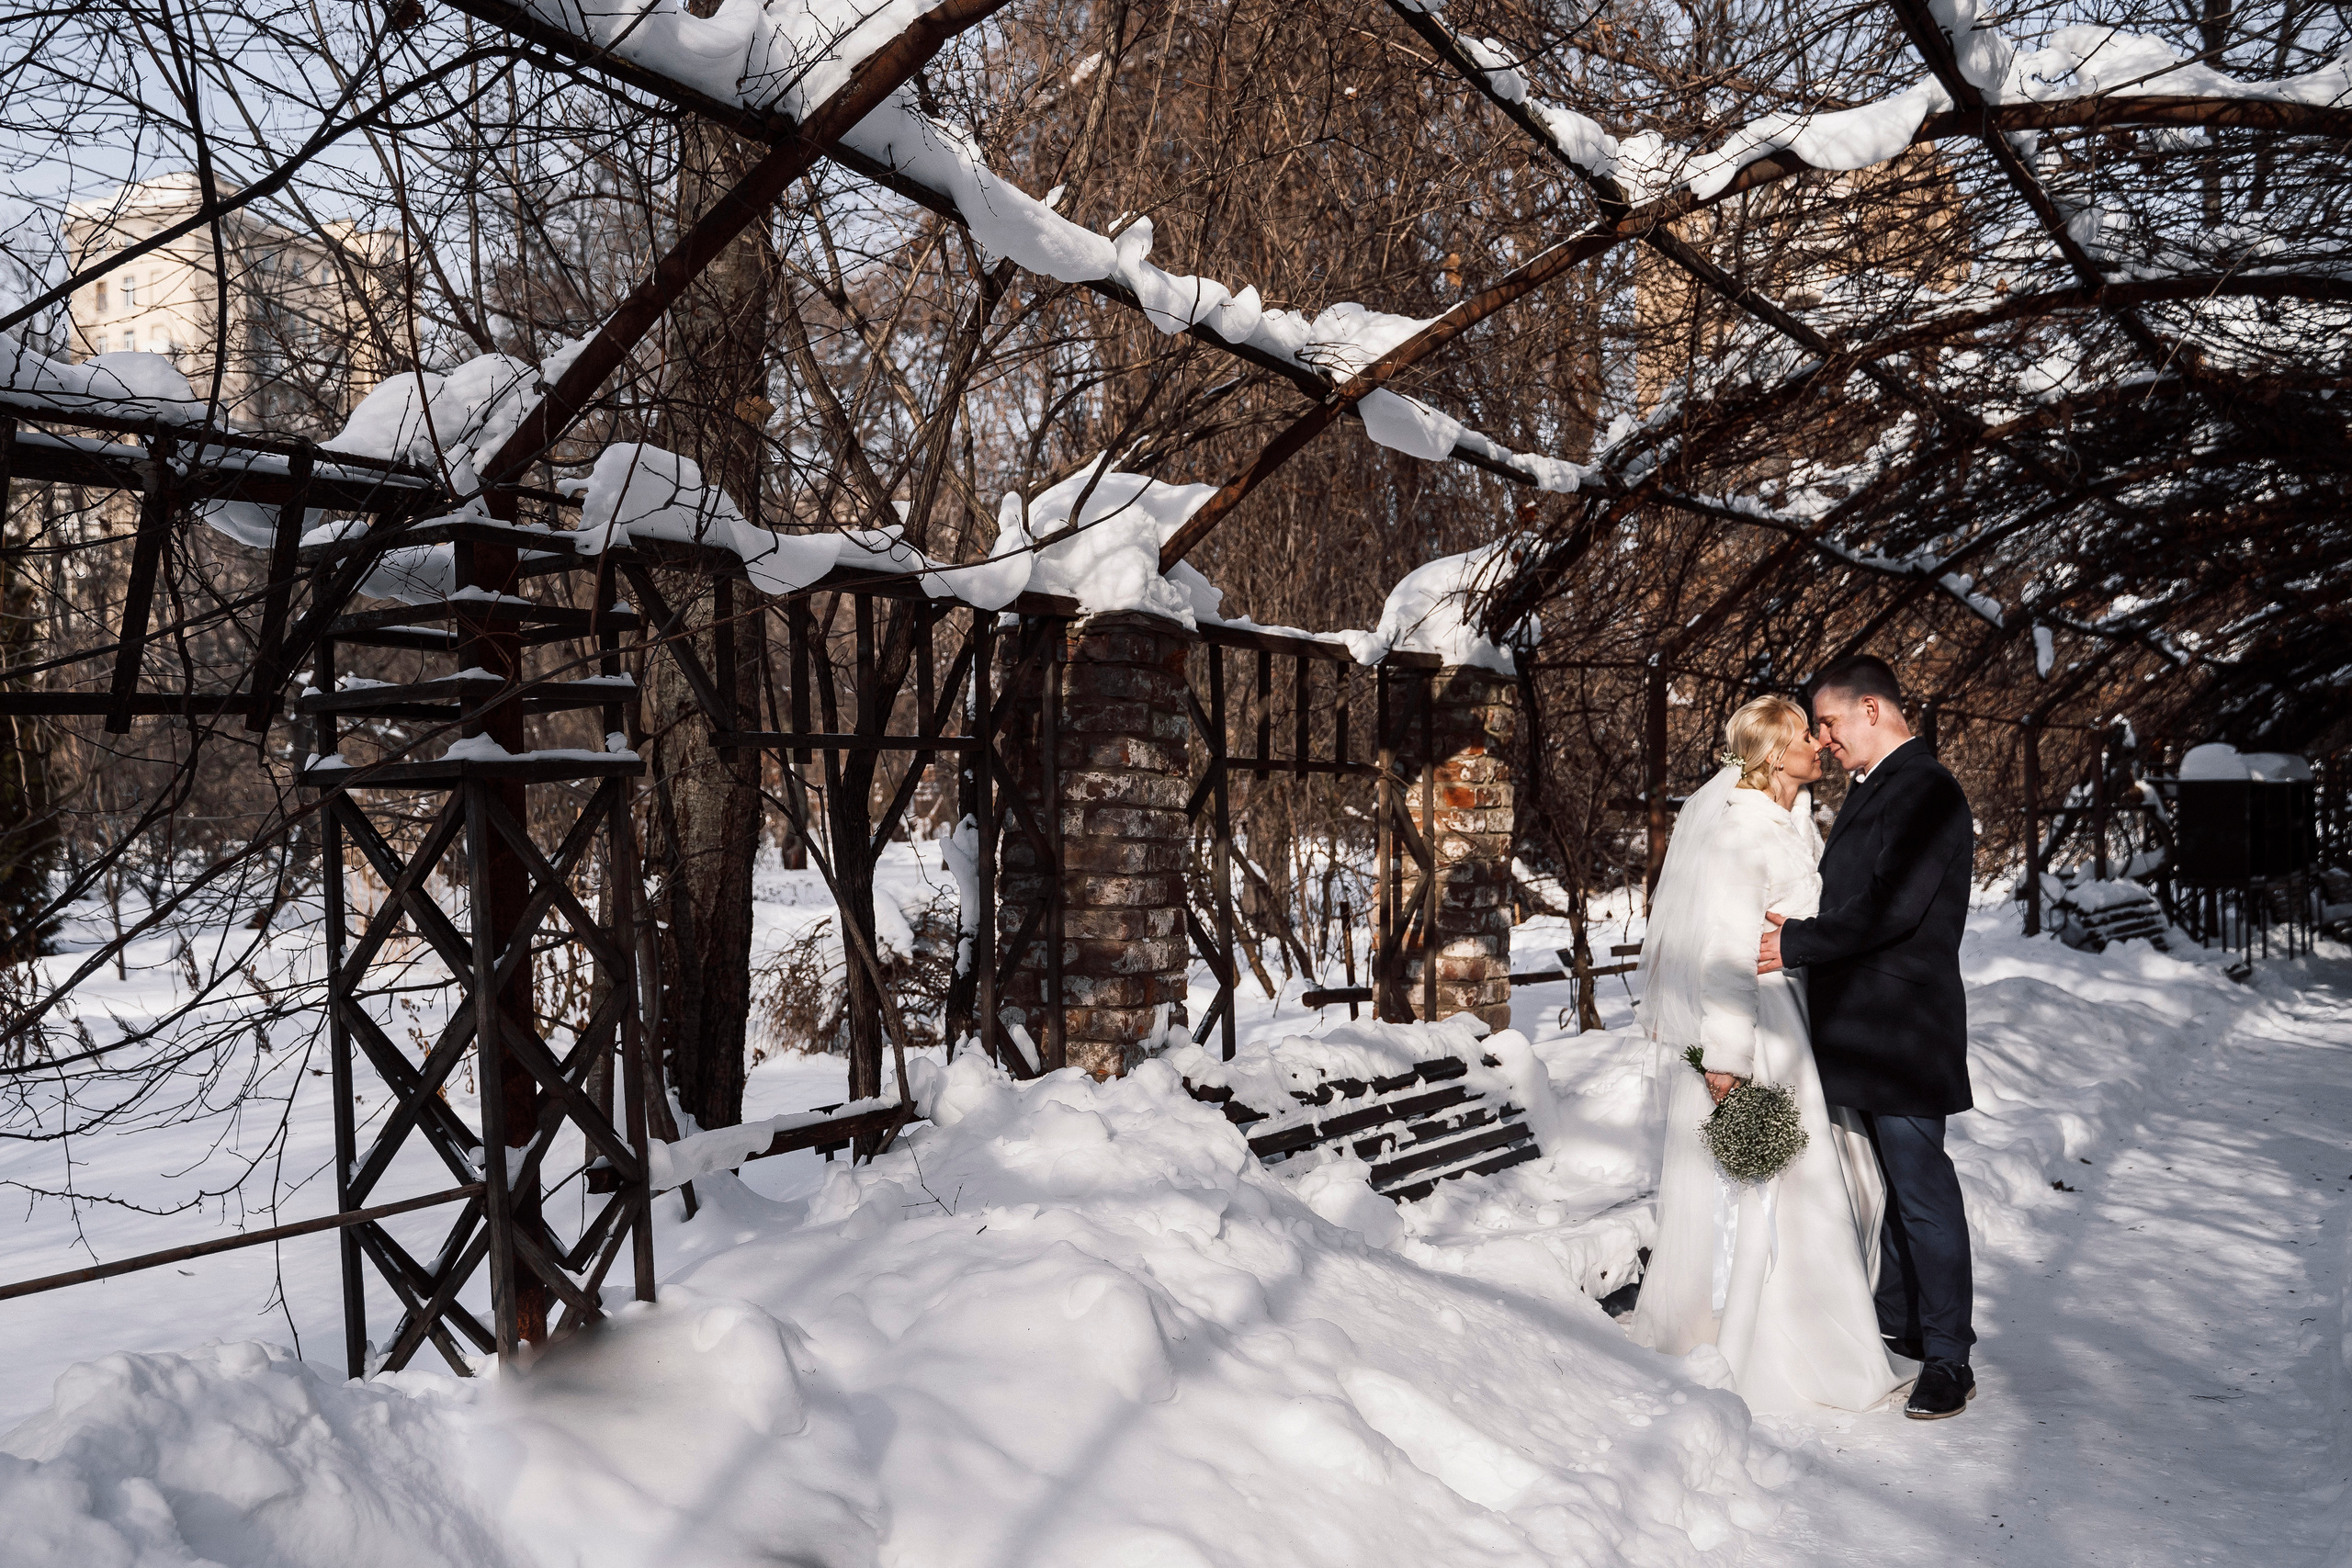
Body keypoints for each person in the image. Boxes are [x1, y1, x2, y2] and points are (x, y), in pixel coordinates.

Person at [1628, 695, 1911, 1416]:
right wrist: (1725, 1058)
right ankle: (1771, 1350)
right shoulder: (1739, 833)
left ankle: (1821, 1335)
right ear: (1774, 752)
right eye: (1804, 737)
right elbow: (1723, 951)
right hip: (1759, 1027)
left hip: (1798, 1017)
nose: (1821, 744)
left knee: (1808, 1184)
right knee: (1775, 1182)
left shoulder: (1793, 822)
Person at [1759, 654, 1978, 1420]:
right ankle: (1902, 1322)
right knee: (1894, 1184)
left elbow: (1892, 909)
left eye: (1829, 721)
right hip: (1862, 1027)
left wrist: (1797, 944)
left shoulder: (1928, 791)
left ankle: (1951, 1356)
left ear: (1874, 710)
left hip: (1906, 1030)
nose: (1822, 738)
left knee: (1922, 1191)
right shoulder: (1879, 787)